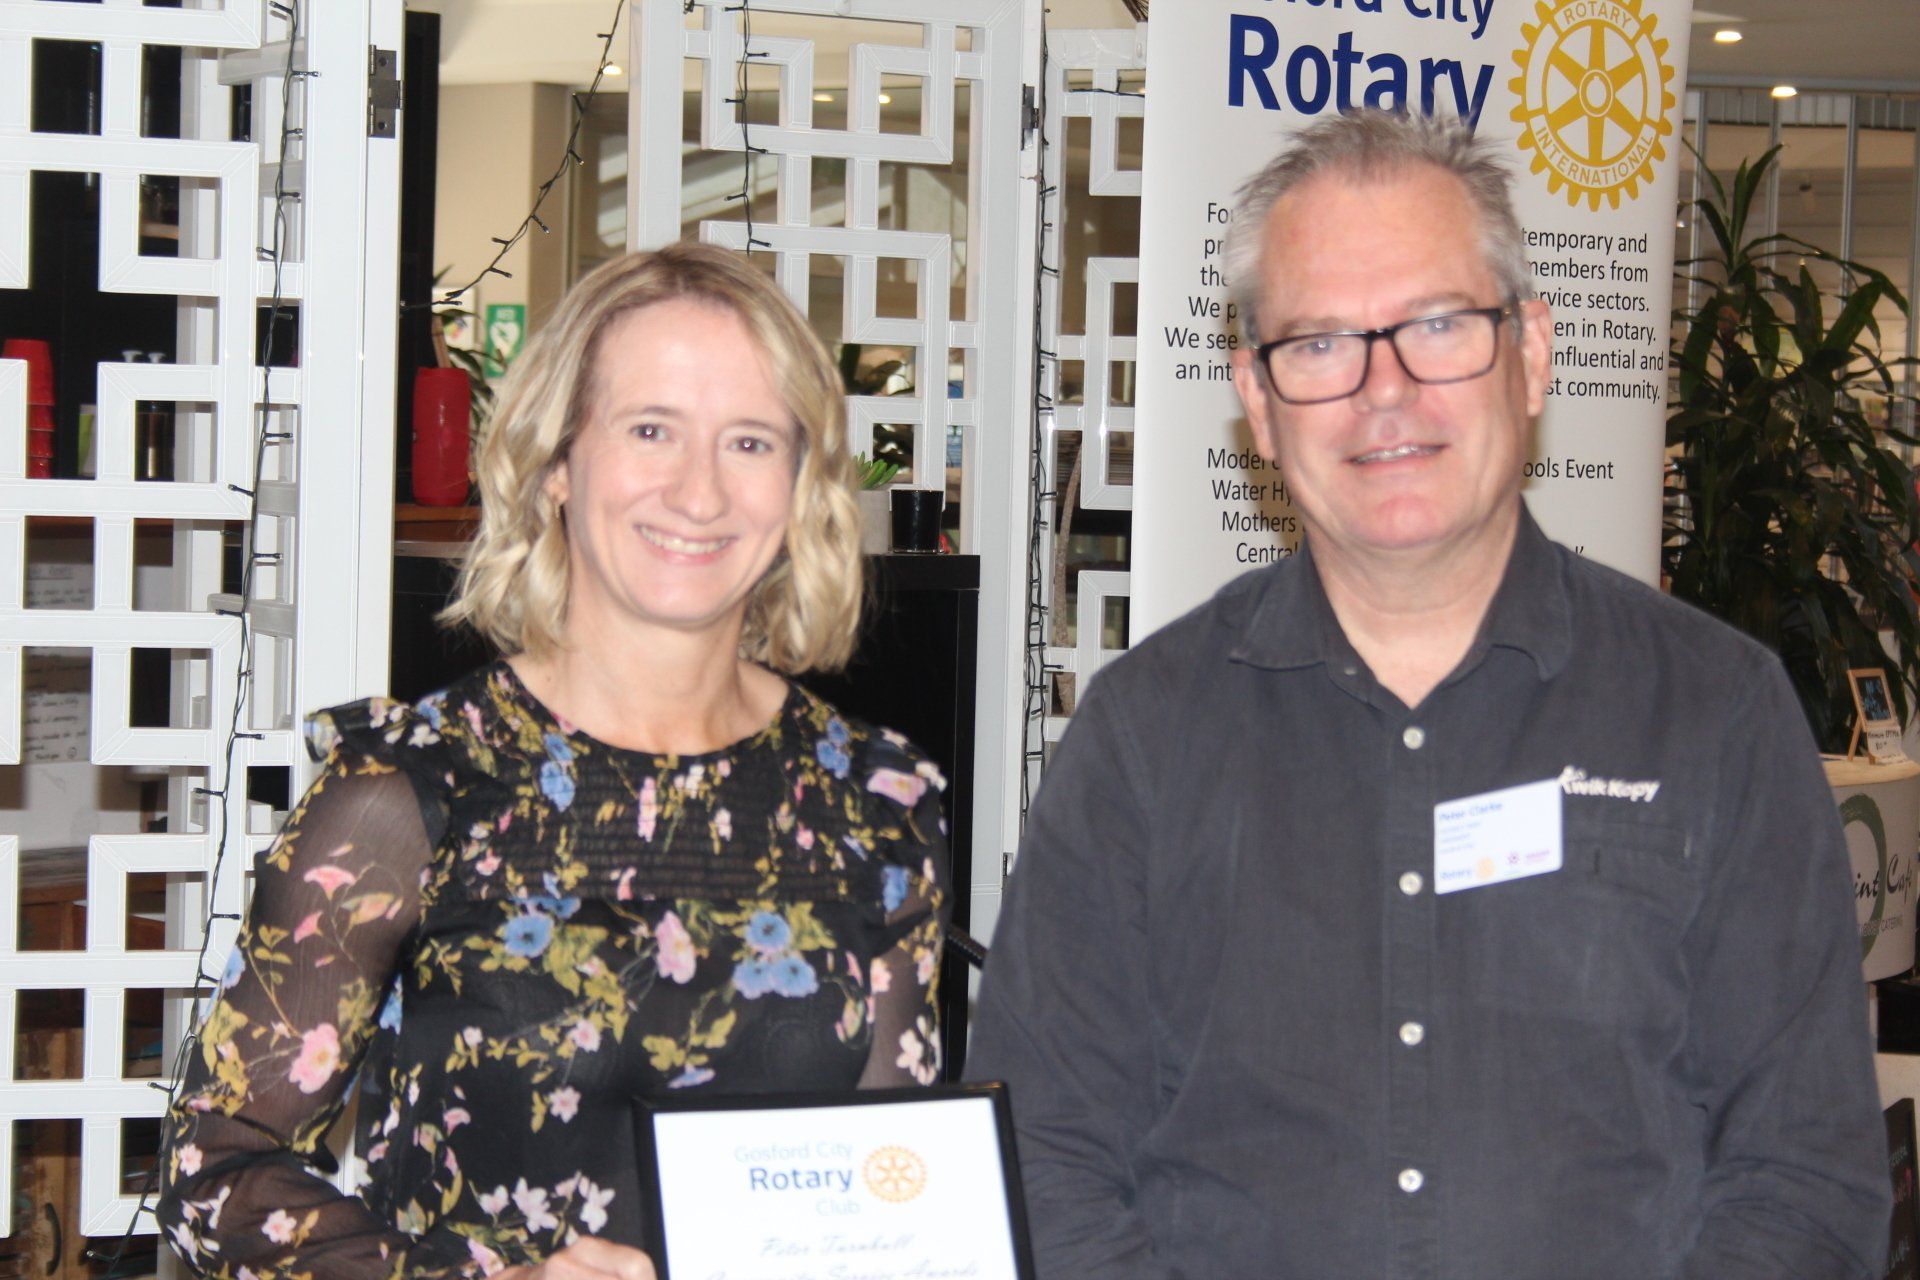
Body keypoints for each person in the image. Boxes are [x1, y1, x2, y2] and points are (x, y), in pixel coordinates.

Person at [964, 109, 1889, 1279]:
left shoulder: (1717, 713)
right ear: (1257, 397)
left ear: (1534, 352)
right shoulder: (1143, 734)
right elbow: (1045, 1151)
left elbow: (1805, 1173)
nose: (1383, 391)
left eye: (1439, 324)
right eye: (1320, 344)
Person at [158, 243, 951, 1280]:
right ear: (557, 461)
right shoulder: (407, 787)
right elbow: (214, 1164)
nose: (700, 490)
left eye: (750, 440)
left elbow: (895, 1188)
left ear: (801, 481)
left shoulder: (882, 797)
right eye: (651, 428)